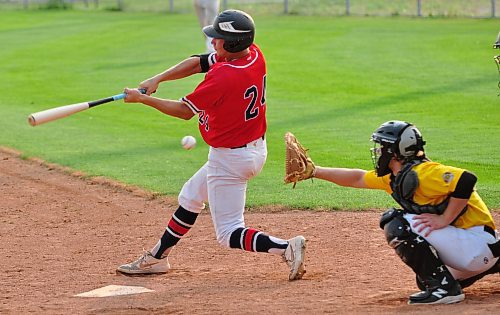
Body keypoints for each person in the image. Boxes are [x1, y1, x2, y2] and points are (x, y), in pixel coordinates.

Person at [116, 9, 306, 281]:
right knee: (191, 196)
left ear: (232, 44)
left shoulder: (224, 77)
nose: (213, 42)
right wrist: (157, 79)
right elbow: (198, 62)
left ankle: (287, 247)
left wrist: (142, 99)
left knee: (229, 233)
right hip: (249, 149)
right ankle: (157, 257)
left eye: (218, 38)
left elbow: (184, 110)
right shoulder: (253, 55)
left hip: (230, 158)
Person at [290, 120, 499, 304]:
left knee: (397, 223)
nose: (378, 151)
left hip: (476, 245)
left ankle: (445, 290)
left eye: (382, 146)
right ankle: (476, 272)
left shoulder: (424, 173)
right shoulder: (396, 177)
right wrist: (314, 171)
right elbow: (358, 178)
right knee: (426, 277)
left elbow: (467, 179)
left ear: (394, 151)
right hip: (478, 253)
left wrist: (445, 218)